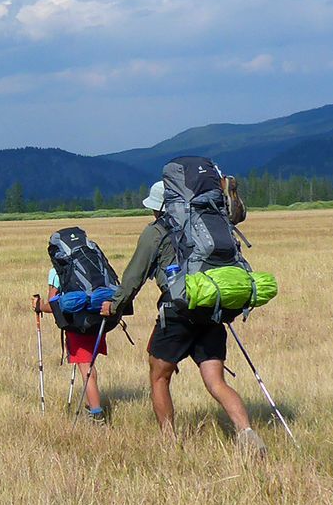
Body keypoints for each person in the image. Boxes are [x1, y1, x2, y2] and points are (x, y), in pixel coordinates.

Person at [101, 181, 266, 458]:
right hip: (211, 309)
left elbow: (133, 277)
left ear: (162, 208)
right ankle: (246, 432)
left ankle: (169, 440)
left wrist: (115, 306)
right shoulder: (206, 226)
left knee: (159, 377)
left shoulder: (156, 232)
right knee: (216, 382)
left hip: (177, 313)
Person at [40, 267, 107, 424]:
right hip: (98, 321)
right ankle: (90, 404)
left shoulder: (56, 270)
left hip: (77, 325)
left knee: (86, 368)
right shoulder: (89, 263)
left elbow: (53, 305)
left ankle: (97, 415)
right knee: (90, 366)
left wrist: (40, 307)